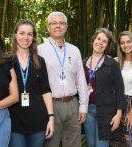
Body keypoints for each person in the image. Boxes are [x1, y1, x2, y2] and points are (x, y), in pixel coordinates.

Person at [38, 11, 88, 147]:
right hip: (50, 105)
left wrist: (83, 106)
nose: (58, 26)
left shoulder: (74, 50)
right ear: (48, 27)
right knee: (51, 143)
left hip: (72, 104)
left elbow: (81, 80)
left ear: (66, 27)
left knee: (74, 143)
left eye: (61, 23)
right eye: (54, 23)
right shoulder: (39, 51)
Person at [82, 28, 125, 147]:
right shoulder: (83, 62)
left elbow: (120, 89)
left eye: (104, 41)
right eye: (98, 39)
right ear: (93, 41)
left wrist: (118, 114)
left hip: (107, 112)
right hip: (87, 111)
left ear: (107, 46)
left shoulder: (112, 64)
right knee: (90, 144)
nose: (100, 43)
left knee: (101, 145)